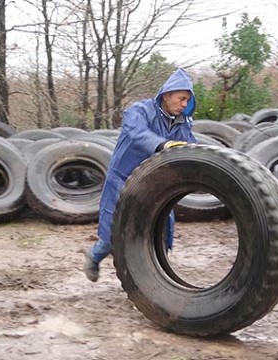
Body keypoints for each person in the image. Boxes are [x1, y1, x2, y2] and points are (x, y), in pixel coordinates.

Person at [84, 68, 198, 282]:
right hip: (124, 179)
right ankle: (94, 256)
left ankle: (156, 279)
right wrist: (162, 144)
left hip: (157, 183)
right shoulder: (139, 111)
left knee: (162, 229)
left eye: (187, 100)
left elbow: (191, 148)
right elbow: (137, 134)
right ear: (167, 95)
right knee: (115, 228)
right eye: (181, 98)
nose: (184, 104)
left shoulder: (182, 123)